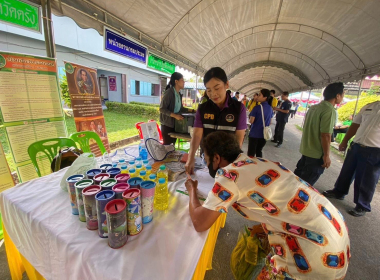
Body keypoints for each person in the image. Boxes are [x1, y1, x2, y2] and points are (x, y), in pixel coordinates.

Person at [184, 131, 350, 280]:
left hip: (314, 254)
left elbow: (200, 222)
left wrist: (192, 189)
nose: (206, 164)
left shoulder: (229, 175)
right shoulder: (258, 162)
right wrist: (265, 225)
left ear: (217, 158)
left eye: (206, 159)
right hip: (336, 234)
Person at [185, 67, 246, 174]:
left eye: (217, 88)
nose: (213, 94)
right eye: (208, 90)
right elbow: (197, 135)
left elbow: (238, 139)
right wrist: (191, 157)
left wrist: (231, 164)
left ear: (226, 85)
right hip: (207, 160)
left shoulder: (238, 108)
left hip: (227, 162)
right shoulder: (203, 108)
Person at [323, 101, 380, 217]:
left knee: (366, 179)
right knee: (347, 171)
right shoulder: (369, 106)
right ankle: (339, 191)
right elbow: (355, 124)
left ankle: (362, 205)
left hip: (375, 150)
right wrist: (345, 140)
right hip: (357, 145)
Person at [294, 82, 345, 186]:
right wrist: (326, 155)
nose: (342, 97)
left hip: (306, 151)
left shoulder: (314, 108)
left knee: (296, 181)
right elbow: (325, 135)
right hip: (316, 155)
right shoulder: (329, 110)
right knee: (305, 187)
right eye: (343, 94)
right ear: (337, 96)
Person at [159, 72, 194, 145]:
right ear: (176, 81)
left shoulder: (178, 94)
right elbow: (162, 109)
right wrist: (175, 116)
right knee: (168, 147)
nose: (184, 82)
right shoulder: (169, 93)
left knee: (172, 147)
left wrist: (193, 110)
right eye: (182, 80)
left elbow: (181, 109)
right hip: (167, 125)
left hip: (175, 124)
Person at [247, 89, 273, 157]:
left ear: (265, 97)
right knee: (259, 151)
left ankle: (250, 167)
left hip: (254, 134)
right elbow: (270, 122)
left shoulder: (257, 108)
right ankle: (259, 166)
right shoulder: (270, 108)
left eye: (259, 95)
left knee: (251, 154)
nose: (257, 96)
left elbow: (251, 121)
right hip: (264, 135)